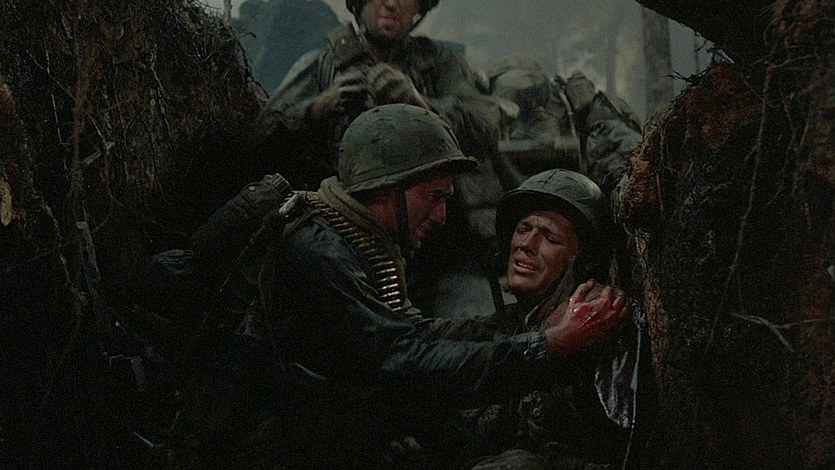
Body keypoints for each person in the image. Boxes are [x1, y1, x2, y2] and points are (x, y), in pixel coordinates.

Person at [226, 104, 631, 469]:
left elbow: (411, 335)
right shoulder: (321, 252)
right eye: (434, 196)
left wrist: (524, 330)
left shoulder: (345, 244)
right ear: (390, 187)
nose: (441, 216)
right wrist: (549, 345)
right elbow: (401, 360)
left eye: (550, 237)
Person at [465, 168, 654, 469]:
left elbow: (627, 453)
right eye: (523, 229)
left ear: (583, 260)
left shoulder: (602, 326)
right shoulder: (509, 323)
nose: (526, 244)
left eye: (550, 238)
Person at [253, 0, 501, 190]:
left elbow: (486, 126)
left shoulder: (438, 64)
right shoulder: (322, 66)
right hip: (338, 213)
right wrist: (320, 105)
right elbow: (261, 138)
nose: (392, 4)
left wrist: (419, 103)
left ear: (419, 6)